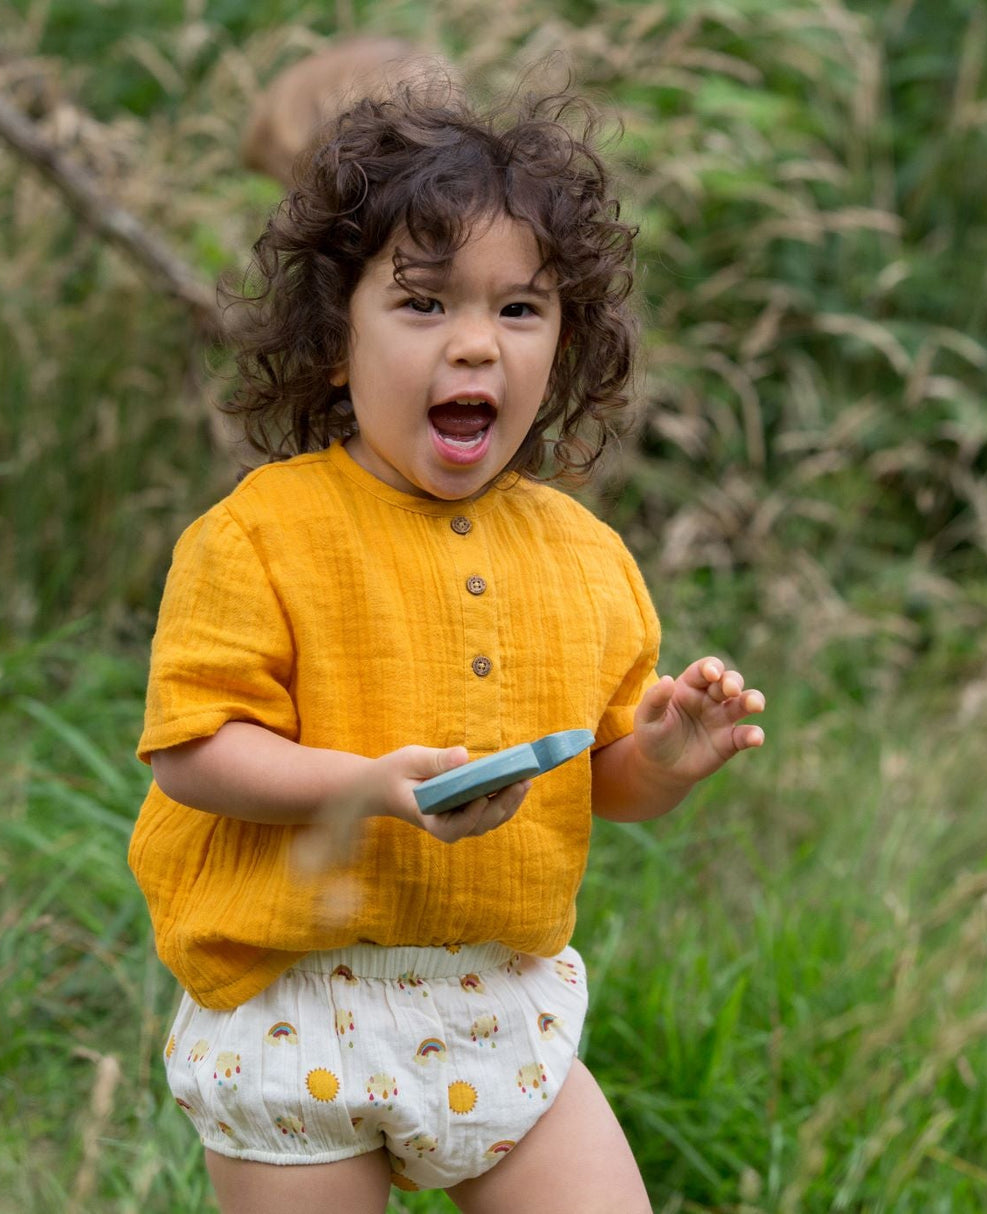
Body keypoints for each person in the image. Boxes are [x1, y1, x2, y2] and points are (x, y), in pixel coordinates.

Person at [129, 76, 765, 1214]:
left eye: (519, 310)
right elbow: (194, 749)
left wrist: (663, 759)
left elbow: (598, 776)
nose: (475, 344)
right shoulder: (260, 534)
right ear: (335, 341)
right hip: (292, 1002)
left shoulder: (584, 555)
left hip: (498, 1002)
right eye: (423, 305)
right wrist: (369, 787)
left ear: (565, 344)